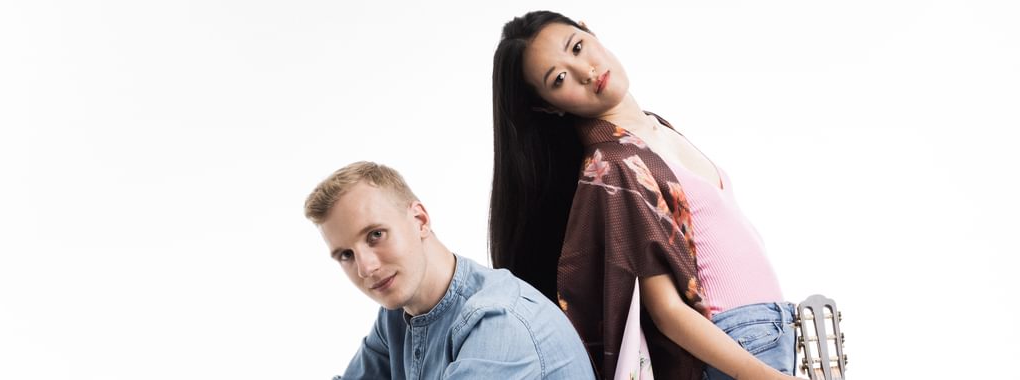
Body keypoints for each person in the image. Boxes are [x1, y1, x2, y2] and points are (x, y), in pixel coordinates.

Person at [490, 11, 797, 380]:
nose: (585, 71)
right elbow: (668, 312)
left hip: (770, 330)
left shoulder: (655, 129)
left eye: (577, 47)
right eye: (559, 79)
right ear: (548, 105)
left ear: (589, 30)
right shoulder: (614, 166)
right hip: (737, 342)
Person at [305, 161, 595, 379]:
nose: (366, 268)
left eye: (376, 235)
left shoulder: (498, 323)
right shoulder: (396, 317)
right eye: (346, 255)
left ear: (420, 220)